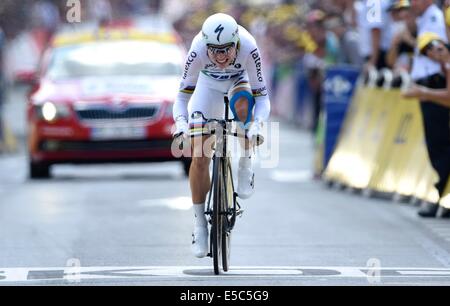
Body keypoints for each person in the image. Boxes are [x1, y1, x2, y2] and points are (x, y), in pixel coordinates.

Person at [172, 13, 271, 258]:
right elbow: (182, 97)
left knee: (243, 105)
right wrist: (181, 123)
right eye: (214, 50)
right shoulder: (197, 50)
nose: (220, 56)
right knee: (199, 156)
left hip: (239, 82)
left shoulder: (249, 45)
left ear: (237, 43)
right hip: (208, 88)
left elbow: (263, 97)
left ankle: (246, 162)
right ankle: (199, 225)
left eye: (226, 49)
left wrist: (257, 124)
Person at [408, 0, 449, 218]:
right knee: (435, 143)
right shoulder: (423, 18)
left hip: (434, 83)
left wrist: (422, 90)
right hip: (429, 84)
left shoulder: (434, 17)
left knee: (440, 143)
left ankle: (442, 194)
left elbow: (439, 50)